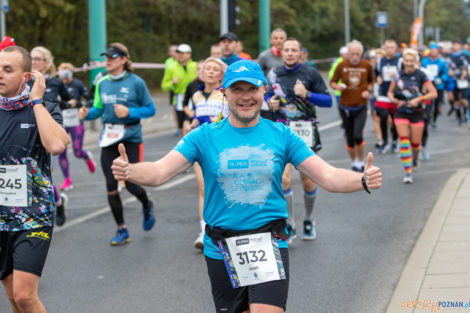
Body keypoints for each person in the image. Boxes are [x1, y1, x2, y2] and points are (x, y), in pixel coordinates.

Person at [111, 59, 382, 313]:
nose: (245, 96)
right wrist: (130, 170)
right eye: (237, 89)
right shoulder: (202, 137)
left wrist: (361, 179)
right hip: (220, 247)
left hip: (269, 241)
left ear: (264, 90)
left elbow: (328, 176)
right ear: (224, 93)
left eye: (252, 88)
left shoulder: (282, 134)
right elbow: (159, 172)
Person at [0, 45, 68, 313]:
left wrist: (36, 101)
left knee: (25, 296)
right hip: (1, 214)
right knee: (13, 297)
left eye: (8, 70)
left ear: (26, 76)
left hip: (33, 214)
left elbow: (56, 145)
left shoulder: (46, 107)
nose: (0, 75)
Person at [78, 43, 156, 245]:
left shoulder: (136, 82)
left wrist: (130, 112)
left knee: (130, 183)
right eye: (107, 57)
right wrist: (86, 115)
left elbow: (150, 109)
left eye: (113, 57)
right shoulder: (102, 82)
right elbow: (97, 109)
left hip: (130, 137)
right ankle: (122, 229)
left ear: (124, 59)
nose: (108, 60)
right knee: (111, 185)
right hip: (109, 138)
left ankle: (147, 204)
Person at [266, 38, 332, 242]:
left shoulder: (310, 73)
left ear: (300, 53)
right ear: (281, 53)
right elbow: (267, 97)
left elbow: (328, 101)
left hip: (306, 130)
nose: (290, 53)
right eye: (286, 50)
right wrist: (270, 104)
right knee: (284, 179)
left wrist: (307, 94)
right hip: (283, 131)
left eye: (294, 50)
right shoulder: (274, 74)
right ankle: (290, 224)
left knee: (308, 180)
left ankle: (309, 219)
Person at [183, 57, 228, 250]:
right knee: (203, 188)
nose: (209, 71)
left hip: (222, 146)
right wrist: (191, 124)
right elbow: (194, 118)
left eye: (214, 69)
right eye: (206, 68)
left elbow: (230, 118)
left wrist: (216, 121)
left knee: (223, 187)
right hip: (201, 146)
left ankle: (226, 226)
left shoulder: (226, 94)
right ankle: (204, 232)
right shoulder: (196, 95)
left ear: (220, 75)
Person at [29, 46, 76, 226]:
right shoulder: (23, 82)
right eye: (31, 58)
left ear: (47, 63)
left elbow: (70, 99)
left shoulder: (56, 82)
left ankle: (56, 204)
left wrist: (66, 106)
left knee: (46, 174)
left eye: (38, 59)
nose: (33, 61)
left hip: (51, 133)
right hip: (30, 134)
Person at [387, 48, 437, 184]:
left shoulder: (421, 75)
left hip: (417, 112)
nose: (408, 64)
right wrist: (395, 100)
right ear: (403, 61)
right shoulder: (399, 75)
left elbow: (434, 93)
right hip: (401, 111)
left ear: (415, 62)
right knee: (403, 140)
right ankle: (407, 172)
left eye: (411, 61)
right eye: (406, 61)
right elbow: (390, 93)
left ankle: (414, 159)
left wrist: (419, 99)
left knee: (415, 144)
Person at [330, 40, 375, 172]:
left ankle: (361, 161)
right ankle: (354, 161)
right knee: (350, 139)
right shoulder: (342, 65)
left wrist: (368, 90)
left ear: (361, 53)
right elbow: (332, 82)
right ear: (348, 53)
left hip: (360, 106)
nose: (355, 57)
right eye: (352, 54)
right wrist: (337, 86)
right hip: (345, 106)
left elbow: (371, 81)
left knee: (358, 136)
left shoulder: (366, 65)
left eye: (357, 54)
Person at [56, 62, 96, 193]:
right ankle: (67, 180)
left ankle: (85, 156)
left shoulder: (77, 84)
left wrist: (94, 86)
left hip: (76, 121)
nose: (65, 79)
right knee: (61, 151)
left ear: (72, 73)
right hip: (61, 121)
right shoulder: (56, 84)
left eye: (67, 76)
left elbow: (89, 98)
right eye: (62, 75)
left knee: (77, 152)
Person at [161, 44, 198, 137]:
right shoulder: (171, 68)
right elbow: (164, 86)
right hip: (180, 99)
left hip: (194, 98)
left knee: (190, 123)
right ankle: (184, 147)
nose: (180, 55)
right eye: (178, 53)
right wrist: (172, 83)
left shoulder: (195, 66)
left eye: (183, 53)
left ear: (189, 54)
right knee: (182, 127)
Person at [421, 44, 448, 158]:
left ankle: (434, 118)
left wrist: (441, 79)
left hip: (438, 87)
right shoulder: (424, 61)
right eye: (431, 50)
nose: (433, 52)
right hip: (427, 88)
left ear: (437, 51)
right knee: (429, 107)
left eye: (435, 50)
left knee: (437, 105)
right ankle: (429, 115)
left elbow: (445, 74)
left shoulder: (441, 62)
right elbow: (422, 73)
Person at [375, 40, 401, 154]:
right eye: (387, 47)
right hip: (383, 94)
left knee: (395, 121)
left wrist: (396, 77)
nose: (389, 50)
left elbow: (404, 76)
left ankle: (395, 141)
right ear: (384, 48)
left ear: (395, 49)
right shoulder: (380, 61)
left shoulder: (400, 61)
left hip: (395, 95)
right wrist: (378, 78)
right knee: (383, 117)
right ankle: (385, 142)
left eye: (392, 47)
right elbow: (376, 73)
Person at [257, 28, 287, 121]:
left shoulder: (290, 56)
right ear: (271, 40)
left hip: (287, 98)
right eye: (276, 38)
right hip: (269, 97)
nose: (279, 40)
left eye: (281, 38)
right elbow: (258, 76)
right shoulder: (264, 56)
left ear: (286, 40)